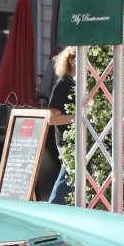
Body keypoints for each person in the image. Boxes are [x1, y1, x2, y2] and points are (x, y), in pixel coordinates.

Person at [45, 47, 75, 205]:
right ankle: (53, 207)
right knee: (68, 176)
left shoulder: (76, 83)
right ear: (71, 60)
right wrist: (80, 118)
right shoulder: (63, 84)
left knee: (70, 177)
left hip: (74, 141)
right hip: (66, 141)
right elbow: (52, 119)